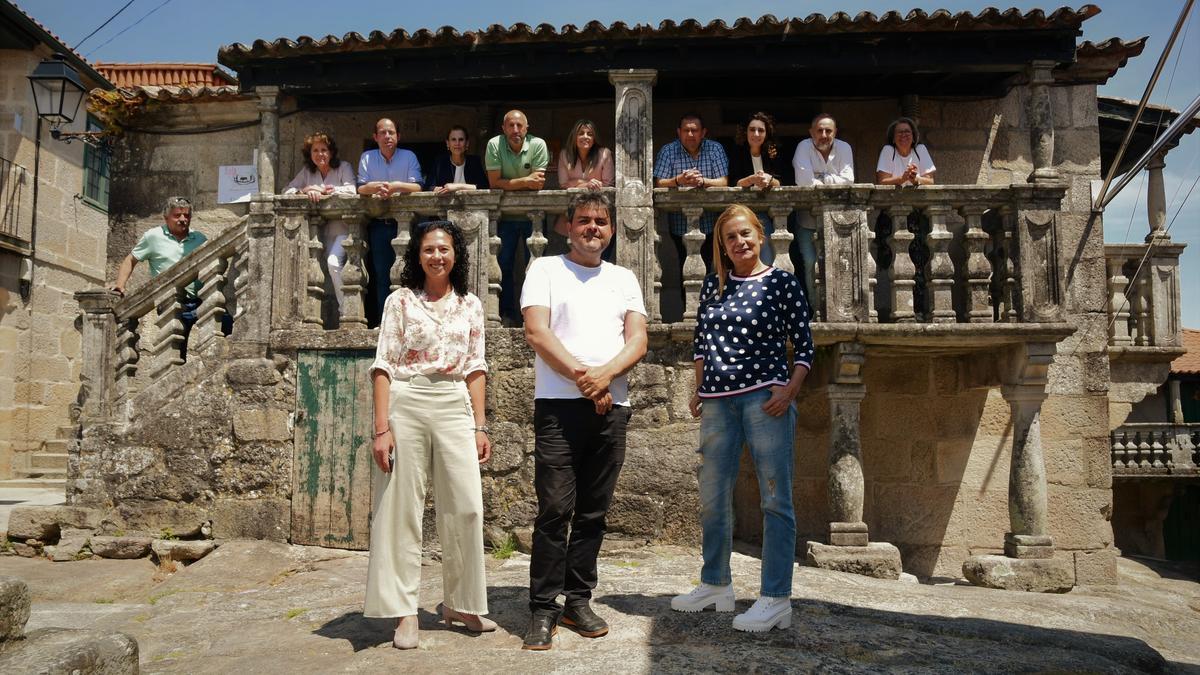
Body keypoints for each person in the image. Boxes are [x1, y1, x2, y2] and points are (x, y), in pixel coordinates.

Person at [671, 204, 813, 633]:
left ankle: (775, 598)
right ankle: (716, 583)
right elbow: (701, 341)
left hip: (763, 401)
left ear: (761, 235)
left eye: (745, 234)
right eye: (731, 237)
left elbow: (803, 346)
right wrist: (698, 388)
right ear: (723, 245)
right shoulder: (713, 286)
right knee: (713, 498)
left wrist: (789, 390)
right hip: (717, 403)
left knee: (775, 499)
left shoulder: (782, 284)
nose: (740, 242)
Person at [519, 192, 648, 650]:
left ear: (610, 230)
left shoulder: (624, 277)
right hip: (558, 405)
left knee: (594, 512)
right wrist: (584, 378)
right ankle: (542, 607)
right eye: (584, 220)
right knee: (555, 509)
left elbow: (637, 340)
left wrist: (606, 377)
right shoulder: (546, 270)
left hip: (612, 408)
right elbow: (537, 331)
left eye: (601, 221)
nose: (593, 227)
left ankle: (578, 600)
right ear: (568, 226)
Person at [365, 220, 494, 650]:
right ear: (417, 257)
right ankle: (405, 612)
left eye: (444, 248)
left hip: (455, 402)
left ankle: (461, 602)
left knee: (467, 505)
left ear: (456, 254)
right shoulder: (399, 301)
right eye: (428, 250)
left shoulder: (472, 305)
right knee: (402, 508)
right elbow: (383, 364)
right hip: (409, 398)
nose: (436, 256)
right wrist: (382, 429)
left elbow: (476, 367)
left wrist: (479, 424)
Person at [111, 196, 220, 359]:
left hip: (199, 300)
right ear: (166, 217)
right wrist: (120, 285)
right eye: (177, 215)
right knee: (175, 351)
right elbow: (130, 260)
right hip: (171, 301)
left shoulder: (199, 238)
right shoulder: (153, 237)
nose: (183, 219)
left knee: (225, 326)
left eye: (187, 216)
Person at [357, 118, 425, 326]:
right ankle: (385, 322)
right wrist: (378, 186)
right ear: (375, 137)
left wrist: (395, 186)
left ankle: (411, 321)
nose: (387, 136)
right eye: (383, 133)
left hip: (405, 226)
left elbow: (419, 187)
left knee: (409, 275)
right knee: (381, 275)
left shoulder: (409, 156)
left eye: (391, 132)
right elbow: (360, 188)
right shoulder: (367, 157)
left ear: (398, 136)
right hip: (379, 225)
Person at [485, 109, 550, 325]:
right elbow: (494, 183)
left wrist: (510, 183)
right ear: (503, 128)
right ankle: (507, 315)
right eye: (510, 126)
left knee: (537, 269)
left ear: (527, 128)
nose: (515, 130)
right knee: (503, 268)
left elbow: (538, 183)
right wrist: (525, 180)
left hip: (534, 217)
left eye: (519, 126)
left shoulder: (538, 144)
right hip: (505, 218)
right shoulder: (495, 145)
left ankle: (534, 316)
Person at [284, 131, 357, 309]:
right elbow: (286, 190)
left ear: (331, 152)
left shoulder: (343, 167)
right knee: (322, 271)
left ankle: (346, 309)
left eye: (324, 149)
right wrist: (306, 189)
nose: (320, 154)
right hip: (321, 232)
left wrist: (324, 190)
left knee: (333, 263)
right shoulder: (308, 172)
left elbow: (352, 190)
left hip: (345, 229)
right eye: (315, 150)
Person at [653, 113, 728, 281]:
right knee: (685, 267)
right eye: (686, 130)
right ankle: (688, 304)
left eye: (695, 130)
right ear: (679, 132)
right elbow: (659, 183)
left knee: (711, 268)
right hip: (680, 224)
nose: (690, 135)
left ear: (703, 132)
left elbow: (723, 181)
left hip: (711, 222)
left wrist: (703, 181)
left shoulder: (714, 149)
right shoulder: (668, 151)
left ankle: (708, 305)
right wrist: (679, 180)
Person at [791, 113, 856, 297]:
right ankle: (814, 310)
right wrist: (832, 181)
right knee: (811, 263)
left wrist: (818, 177)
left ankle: (836, 308)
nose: (824, 134)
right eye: (820, 130)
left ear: (835, 132)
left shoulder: (844, 148)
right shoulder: (803, 147)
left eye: (828, 130)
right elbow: (804, 182)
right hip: (807, 221)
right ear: (811, 132)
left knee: (837, 264)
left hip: (839, 220)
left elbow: (848, 181)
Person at [728, 112, 784, 263]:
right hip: (742, 212)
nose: (756, 134)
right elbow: (734, 182)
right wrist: (752, 179)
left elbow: (782, 181)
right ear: (745, 132)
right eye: (752, 130)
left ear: (767, 133)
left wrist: (769, 179)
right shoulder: (736, 151)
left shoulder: (773, 153)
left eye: (761, 130)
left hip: (768, 213)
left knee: (767, 256)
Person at [555, 118, 615, 259]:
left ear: (595, 138)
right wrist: (586, 184)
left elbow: (608, 185)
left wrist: (575, 182)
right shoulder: (565, 155)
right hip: (570, 217)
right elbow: (563, 184)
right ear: (574, 137)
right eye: (581, 133)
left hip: (598, 213)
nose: (585, 137)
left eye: (590, 134)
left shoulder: (605, 154)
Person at [427, 125, 490, 194]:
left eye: (461, 139)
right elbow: (427, 186)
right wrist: (436, 189)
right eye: (453, 139)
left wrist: (458, 187)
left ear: (467, 143)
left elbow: (485, 186)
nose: (457, 143)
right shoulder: (440, 162)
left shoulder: (474, 161)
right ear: (448, 143)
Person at [876, 117, 935, 186]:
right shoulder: (888, 150)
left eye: (907, 131)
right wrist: (902, 179)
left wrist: (916, 179)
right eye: (899, 132)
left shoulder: (920, 149)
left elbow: (930, 181)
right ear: (893, 139)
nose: (903, 135)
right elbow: (882, 181)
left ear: (913, 137)